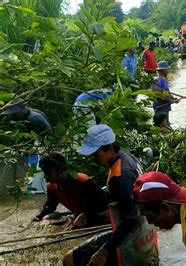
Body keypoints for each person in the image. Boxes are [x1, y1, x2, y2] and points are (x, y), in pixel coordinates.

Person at [64, 124, 158, 265]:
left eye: (95, 154)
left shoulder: (121, 175)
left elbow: (130, 218)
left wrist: (104, 251)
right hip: (144, 234)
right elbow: (126, 201)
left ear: (109, 148)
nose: (93, 158)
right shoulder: (128, 158)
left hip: (129, 239)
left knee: (70, 259)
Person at [34, 152, 108, 228]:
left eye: (49, 173)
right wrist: (38, 217)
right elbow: (50, 206)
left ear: (61, 170)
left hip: (101, 216)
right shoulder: (51, 187)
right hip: (80, 215)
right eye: (45, 174)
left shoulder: (83, 181)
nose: (46, 177)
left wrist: (85, 215)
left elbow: (103, 202)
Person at [152, 61, 177, 128]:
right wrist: (169, 100)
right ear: (163, 70)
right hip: (160, 107)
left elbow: (167, 92)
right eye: (167, 69)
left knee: (166, 124)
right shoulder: (157, 80)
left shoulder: (164, 80)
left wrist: (172, 98)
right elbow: (157, 94)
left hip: (165, 107)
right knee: (162, 125)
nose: (168, 71)